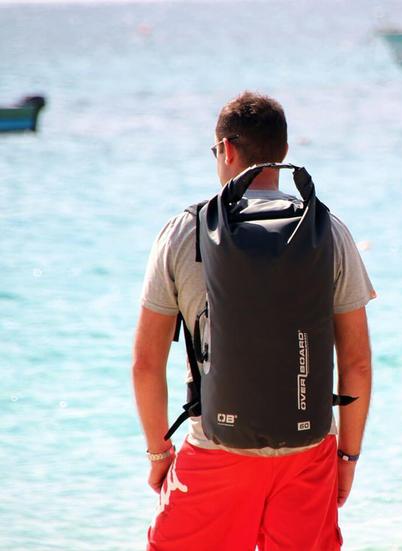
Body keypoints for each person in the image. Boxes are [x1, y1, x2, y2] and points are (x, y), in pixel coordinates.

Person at [132, 91, 374, 551]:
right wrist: (347, 457)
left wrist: (159, 453)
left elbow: (146, 363)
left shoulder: (185, 230)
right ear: (283, 151)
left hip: (215, 450)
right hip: (308, 453)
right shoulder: (327, 229)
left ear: (226, 149)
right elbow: (357, 364)